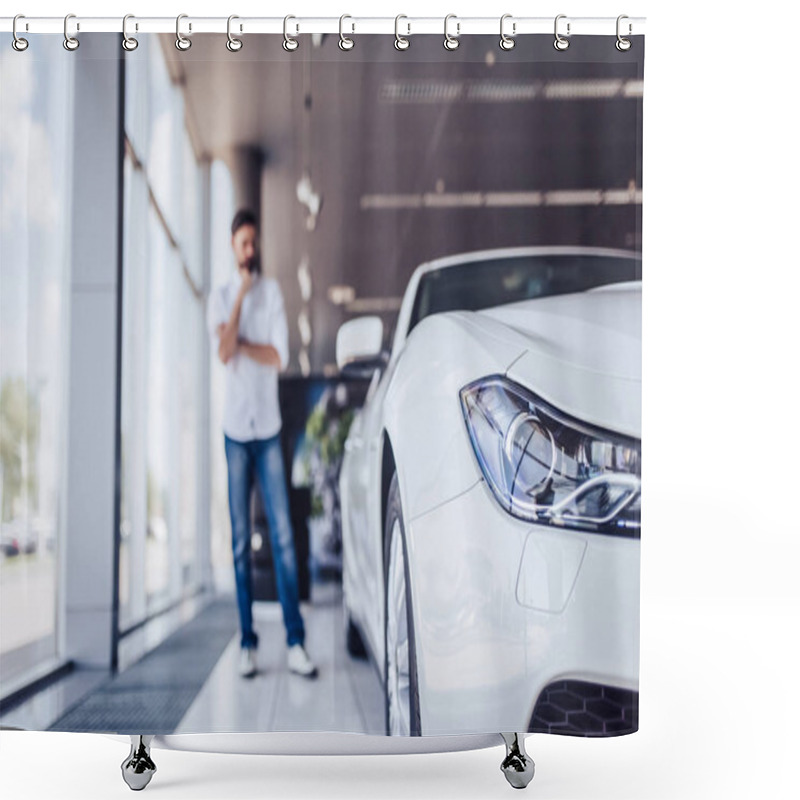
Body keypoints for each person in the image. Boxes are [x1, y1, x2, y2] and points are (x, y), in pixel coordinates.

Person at [207, 208, 318, 680]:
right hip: (235, 433)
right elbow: (223, 351)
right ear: (233, 246)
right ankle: (248, 643)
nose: (250, 250)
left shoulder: (273, 293)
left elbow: (276, 356)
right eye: (243, 243)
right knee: (238, 543)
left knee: (284, 539)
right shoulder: (220, 296)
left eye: (254, 242)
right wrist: (239, 306)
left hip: (268, 430)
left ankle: (295, 642)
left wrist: (241, 340)